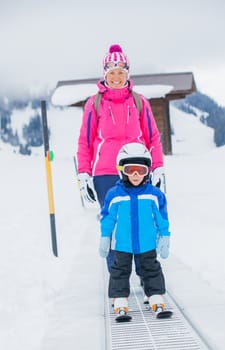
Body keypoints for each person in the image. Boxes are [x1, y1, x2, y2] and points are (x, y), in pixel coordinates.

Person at [77, 43, 166, 270]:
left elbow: (153, 138)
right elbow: (85, 142)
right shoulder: (94, 104)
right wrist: (84, 174)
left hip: (136, 167)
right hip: (105, 173)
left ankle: (145, 269)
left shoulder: (139, 102)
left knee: (141, 219)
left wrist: (157, 167)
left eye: (121, 72)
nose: (116, 77)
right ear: (105, 74)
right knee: (113, 221)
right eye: (111, 72)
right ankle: (117, 275)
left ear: (127, 73)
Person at [99, 143, 170, 317]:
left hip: (147, 242)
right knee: (120, 270)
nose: (136, 175)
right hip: (122, 243)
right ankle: (119, 298)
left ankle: (154, 294)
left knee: (150, 268)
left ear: (148, 171)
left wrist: (164, 236)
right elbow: (107, 218)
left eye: (141, 170)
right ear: (122, 170)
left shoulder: (154, 194)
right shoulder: (114, 194)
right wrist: (105, 237)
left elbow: (162, 217)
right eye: (131, 170)